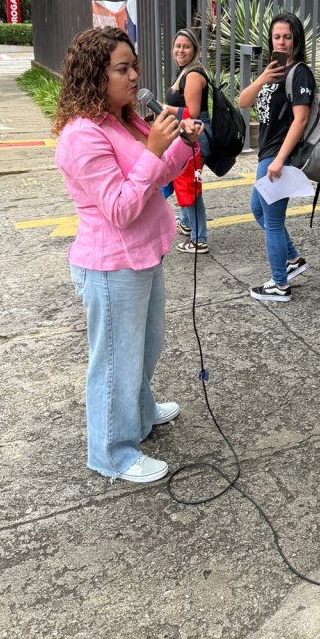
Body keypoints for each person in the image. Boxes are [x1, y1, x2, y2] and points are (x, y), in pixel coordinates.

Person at [52, 27, 203, 484]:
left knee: (146, 344)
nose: (135, 75)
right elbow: (120, 207)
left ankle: (140, 411)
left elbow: (158, 172)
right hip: (111, 264)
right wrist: (154, 149)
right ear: (95, 76)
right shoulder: (82, 136)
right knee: (116, 360)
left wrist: (181, 143)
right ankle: (113, 452)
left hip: (143, 255)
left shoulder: (121, 119)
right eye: (123, 69)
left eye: (134, 65)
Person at [237, 12, 314, 302]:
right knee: (259, 210)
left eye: (287, 37)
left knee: (273, 221)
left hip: (279, 156)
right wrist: (263, 79)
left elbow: (301, 119)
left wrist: (280, 159)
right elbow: (244, 102)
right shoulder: (274, 71)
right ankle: (293, 260)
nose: (281, 42)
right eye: (277, 36)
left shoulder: (300, 72)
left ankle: (280, 285)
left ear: (297, 39)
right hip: (267, 154)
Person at [162, 28, 212, 254]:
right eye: (178, 46)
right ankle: (186, 222)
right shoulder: (185, 72)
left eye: (186, 46)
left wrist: (163, 108)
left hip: (196, 134)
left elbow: (191, 112)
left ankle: (199, 238)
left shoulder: (192, 75)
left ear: (195, 50)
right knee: (183, 180)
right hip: (190, 132)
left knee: (189, 186)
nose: (181, 50)